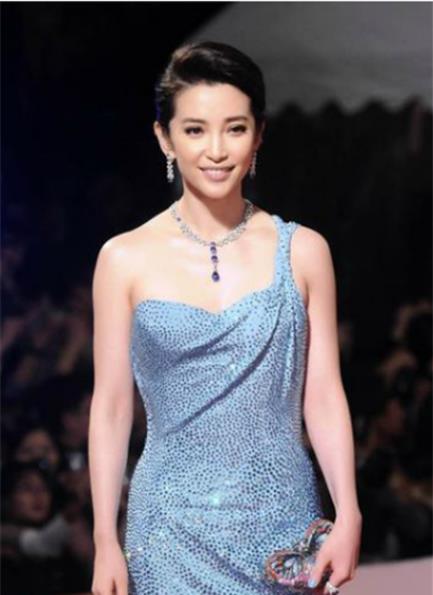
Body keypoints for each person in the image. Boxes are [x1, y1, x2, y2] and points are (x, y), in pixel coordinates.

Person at [88, 40, 362, 595]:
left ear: (258, 135)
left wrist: (349, 511)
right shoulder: (123, 259)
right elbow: (112, 407)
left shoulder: (304, 252)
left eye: (234, 129)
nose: (216, 150)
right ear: (165, 138)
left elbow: (323, 396)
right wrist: (104, 539)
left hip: (283, 521)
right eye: (195, 130)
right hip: (167, 530)